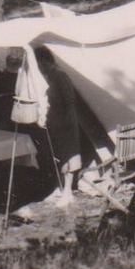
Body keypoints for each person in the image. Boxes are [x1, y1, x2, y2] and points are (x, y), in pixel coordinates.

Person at [34, 46, 86, 206]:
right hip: (53, 124)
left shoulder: (60, 76)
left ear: (47, 61)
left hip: (66, 123)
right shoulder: (44, 77)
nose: (40, 67)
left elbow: (70, 102)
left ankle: (68, 191)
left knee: (68, 156)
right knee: (55, 157)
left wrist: (69, 124)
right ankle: (58, 188)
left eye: (41, 63)